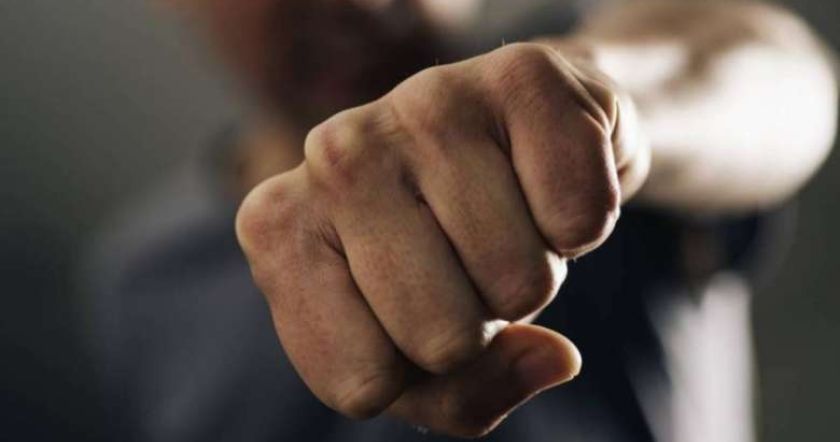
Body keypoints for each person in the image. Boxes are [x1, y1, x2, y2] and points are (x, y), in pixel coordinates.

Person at [84, 0, 838, 440]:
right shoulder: (141, 284)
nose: (366, 2)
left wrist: (601, 104)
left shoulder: (578, 90)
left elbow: (770, 81)